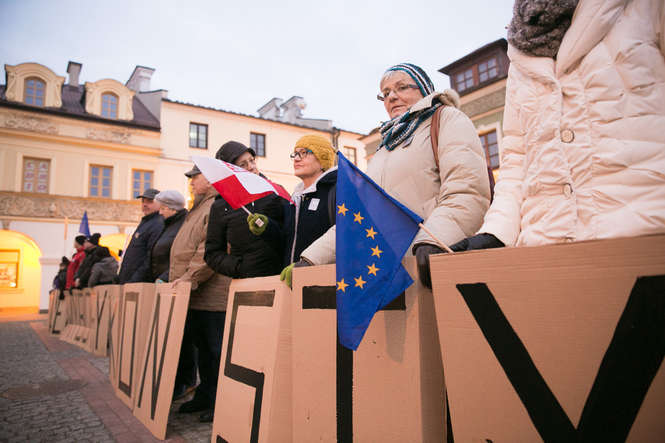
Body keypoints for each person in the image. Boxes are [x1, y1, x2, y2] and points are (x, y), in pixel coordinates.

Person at [452, 0, 665, 251]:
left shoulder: (647, 8)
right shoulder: (519, 57)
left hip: (646, 235)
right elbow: (517, 158)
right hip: (546, 243)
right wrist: (497, 231)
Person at [299, 63, 491, 288]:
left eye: (401, 88)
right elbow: (359, 216)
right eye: (386, 93)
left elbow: (467, 190)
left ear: (423, 89)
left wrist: (433, 242)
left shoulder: (447, 119)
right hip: (386, 273)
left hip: (431, 262)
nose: (392, 97)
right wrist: (312, 258)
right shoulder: (384, 147)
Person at [170, 165, 231, 422]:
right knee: (203, 350)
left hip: (212, 293)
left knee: (215, 351)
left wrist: (188, 279)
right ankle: (205, 394)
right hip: (196, 294)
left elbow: (208, 249)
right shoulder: (198, 205)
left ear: (211, 178)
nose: (192, 182)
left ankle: (220, 402)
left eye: (196, 177)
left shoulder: (216, 204)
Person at [247, 134, 338, 286]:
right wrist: (267, 227)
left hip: (324, 286)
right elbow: (288, 240)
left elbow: (342, 236)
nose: (296, 158)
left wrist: (307, 264)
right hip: (291, 282)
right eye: (295, 154)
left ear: (322, 158)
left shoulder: (336, 191)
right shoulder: (295, 198)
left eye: (304, 153)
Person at [204, 141, 285, 279]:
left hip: (277, 278)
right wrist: (239, 267)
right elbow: (212, 254)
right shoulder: (220, 206)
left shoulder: (274, 193)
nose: (251, 167)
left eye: (252, 161)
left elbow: (288, 234)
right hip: (244, 282)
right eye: (242, 165)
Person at [117, 188, 164, 283]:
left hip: (139, 283)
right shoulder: (146, 222)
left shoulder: (158, 224)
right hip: (130, 280)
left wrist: (134, 280)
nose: (145, 204)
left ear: (160, 204)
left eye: (150, 201)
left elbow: (150, 258)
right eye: (143, 201)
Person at [150, 190, 187, 283]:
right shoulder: (168, 223)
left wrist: (164, 277)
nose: (160, 213)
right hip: (161, 280)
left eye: (163, 208)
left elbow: (183, 257)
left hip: (170, 282)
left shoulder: (184, 225)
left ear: (173, 209)